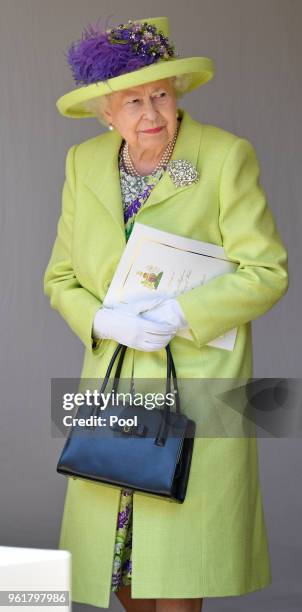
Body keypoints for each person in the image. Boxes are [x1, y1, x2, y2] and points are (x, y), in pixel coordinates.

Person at [43, 15, 289, 612]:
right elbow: (61, 277)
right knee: (117, 563)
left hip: (197, 387)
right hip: (116, 386)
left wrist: (180, 312)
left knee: (179, 565)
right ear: (106, 112)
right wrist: (104, 322)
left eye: (160, 94)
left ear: (177, 93)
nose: (150, 113)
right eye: (132, 101)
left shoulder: (222, 157)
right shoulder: (85, 164)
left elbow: (267, 271)